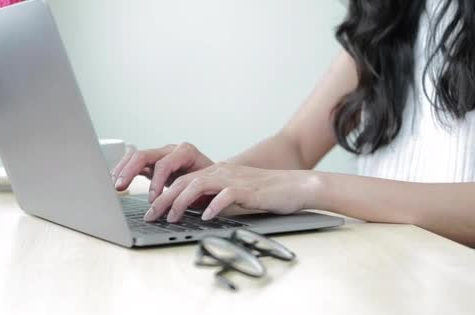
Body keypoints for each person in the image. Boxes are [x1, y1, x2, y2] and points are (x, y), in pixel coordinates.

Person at [111, 0, 475, 247]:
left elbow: (302, 172)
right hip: (388, 268)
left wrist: (314, 187)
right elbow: (297, 144)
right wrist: (215, 180)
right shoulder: (391, 17)